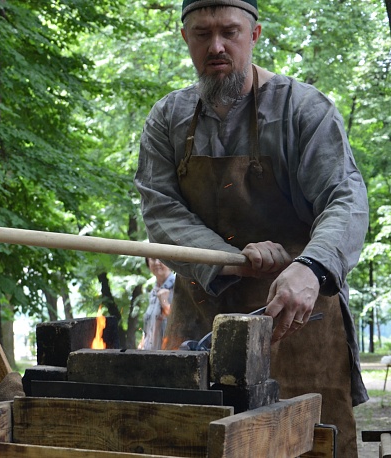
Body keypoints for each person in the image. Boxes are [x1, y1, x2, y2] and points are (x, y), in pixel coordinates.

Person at [134, 0, 369, 456]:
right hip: (202, 321)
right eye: (202, 34)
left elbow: (345, 199)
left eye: (230, 32)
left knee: (314, 443)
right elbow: (161, 212)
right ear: (186, 39)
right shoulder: (166, 120)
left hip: (300, 322)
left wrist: (310, 266)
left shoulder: (305, 110)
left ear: (255, 34)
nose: (216, 46)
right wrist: (232, 264)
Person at [138, 258, 176, 350]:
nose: (157, 263)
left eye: (162, 259)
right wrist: (142, 343)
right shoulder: (153, 292)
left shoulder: (179, 288)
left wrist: (165, 303)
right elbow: (149, 326)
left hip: (169, 355)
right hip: (149, 355)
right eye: (153, 258)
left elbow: (181, 325)